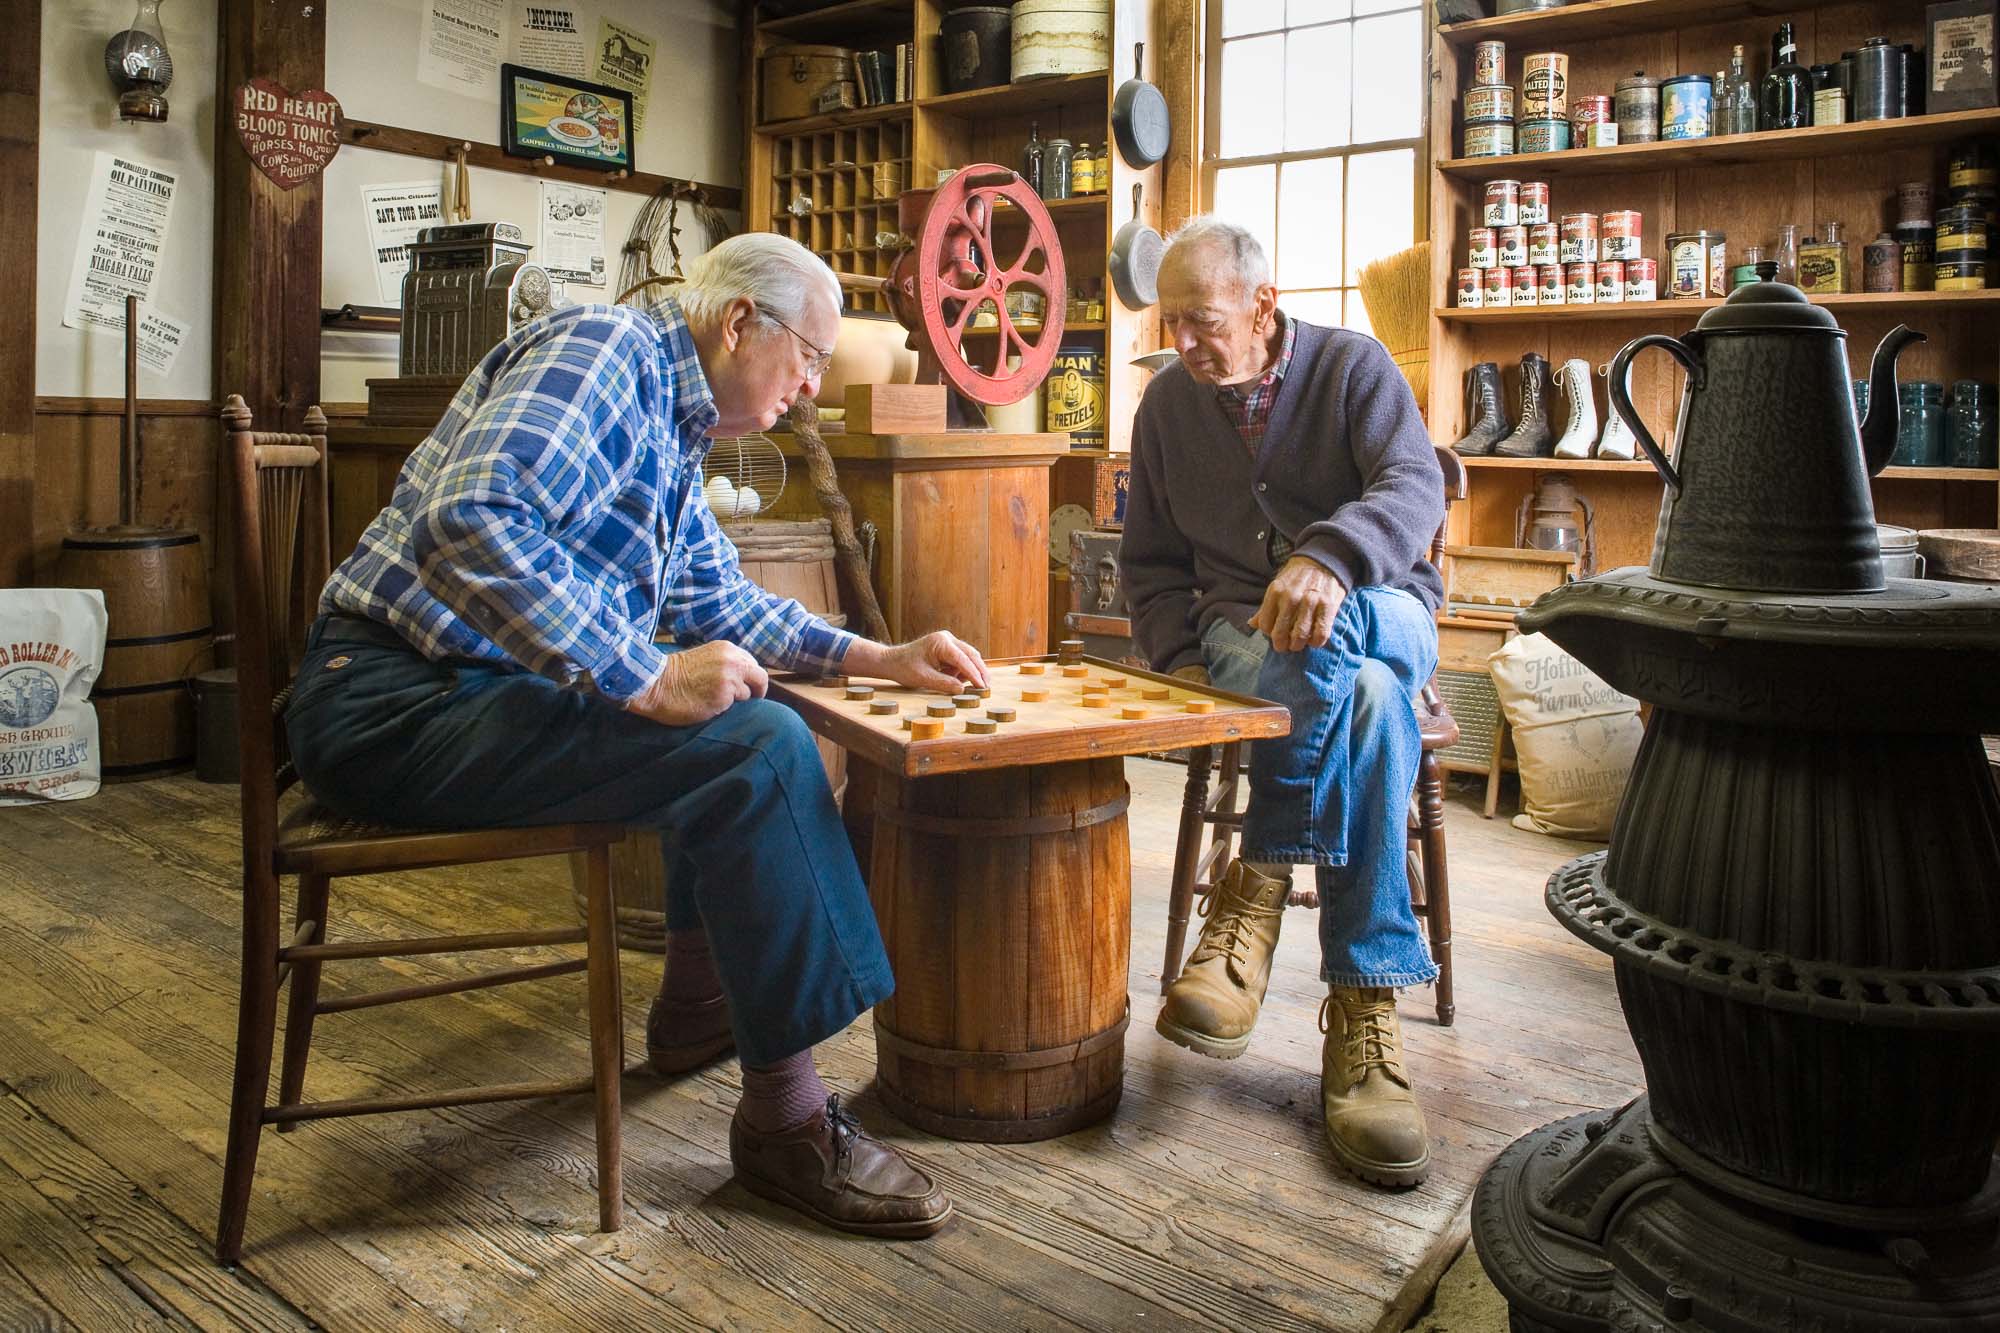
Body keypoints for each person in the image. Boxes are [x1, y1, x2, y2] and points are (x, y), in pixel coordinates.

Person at [286, 233, 983, 1238]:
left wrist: (880, 656)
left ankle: (698, 1012)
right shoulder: (606, 351)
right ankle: (785, 1124)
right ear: (741, 321)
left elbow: (717, 599)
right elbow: (465, 517)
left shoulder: (672, 417)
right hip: (392, 702)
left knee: (745, 721)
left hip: (452, 694)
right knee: (760, 749)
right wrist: (644, 674)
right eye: (811, 356)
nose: (815, 386)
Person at [1118, 217, 1446, 1188]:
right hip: (1239, 638)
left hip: (1387, 607)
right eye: (1168, 320)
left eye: (1200, 319)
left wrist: (1327, 559)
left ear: (1263, 305)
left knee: (1340, 630)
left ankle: (1255, 883)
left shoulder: (1351, 365)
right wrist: (1175, 656)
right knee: (1373, 704)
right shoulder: (1166, 407)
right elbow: (1147, 566)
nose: (1179, 342)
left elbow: (1413, 484)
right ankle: (1364, 1011)